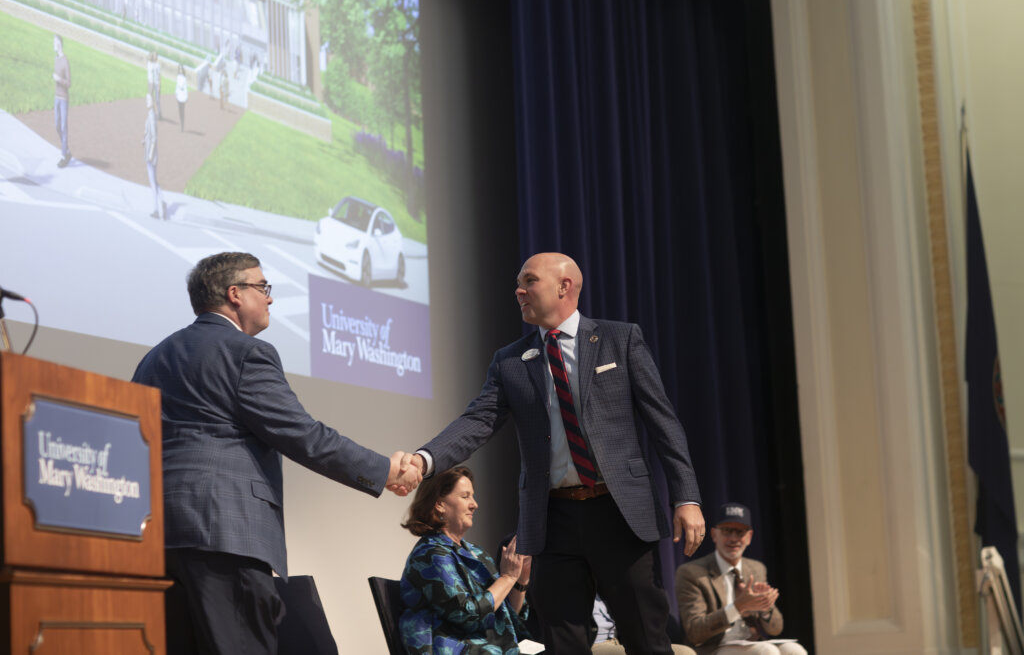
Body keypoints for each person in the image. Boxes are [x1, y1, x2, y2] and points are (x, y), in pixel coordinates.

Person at [404, 252, 705, 654]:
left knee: (646, 639)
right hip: (552, 520)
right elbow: (477, 421)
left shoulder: (620, 339)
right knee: (563, 643)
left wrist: (686, 496)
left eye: (529, 281)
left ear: (564, 287)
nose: (519, 290)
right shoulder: (510, 361)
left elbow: (664, 423)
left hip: (620, 513)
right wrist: (425, 460)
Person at [131, 251, 421, 655]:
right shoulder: (247, 352)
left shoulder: (153, 358)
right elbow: (303, 435)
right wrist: (383, 470)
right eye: (263, 287)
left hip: (157, 535)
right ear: (235, 294)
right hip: (225, 534)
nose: (269, 298)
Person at [400, 466, 534, 654]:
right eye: (465, 496)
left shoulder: (477, 553)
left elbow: (505, 615)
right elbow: (467, 615)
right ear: (439, 504)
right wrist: (507, 578)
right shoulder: (431, 554)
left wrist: (520, 580)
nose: (474, 504)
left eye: (473, 496)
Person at [675, 503, 806, 655]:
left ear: (749, 537)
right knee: (766, 651)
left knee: (795, 651)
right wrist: (738, 607)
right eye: (726, 531)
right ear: (713, 534)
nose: (733, 538)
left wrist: (765, 609)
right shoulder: (692, 573)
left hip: (752, 643)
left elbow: (776, 629)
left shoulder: (756, 568)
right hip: (715, 648)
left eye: (740, 532)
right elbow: (694, 631)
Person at [142, 93, 161, 220]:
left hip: (151, 155)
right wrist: (144, 140)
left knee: (152, 182)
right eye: (146, 99)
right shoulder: (150, 115)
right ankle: (160, 205)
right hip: (149, 151)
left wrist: (150, 154)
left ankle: (156, 209)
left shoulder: (152, 116)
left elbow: (154, 138)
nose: (146, 102)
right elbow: (149, 135)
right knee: (154, 181)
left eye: (148, 100)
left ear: (153, 102)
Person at [52, 34, 71, 167]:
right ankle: (67, 149)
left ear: (59, 44)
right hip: (56, 97)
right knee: (57, 125)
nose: (53, 45)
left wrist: (59, 80)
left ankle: (64, 155)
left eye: (54, 43)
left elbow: (69, 83)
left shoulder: (65, 61)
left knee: (64, 127)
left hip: (63, 98)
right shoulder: (56, 59)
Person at [147, 51, 162, 119]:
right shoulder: (149, 63)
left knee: (157, 99)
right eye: (153, 55)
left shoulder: (157, 65)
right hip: (150, 83)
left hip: (156, 83)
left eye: (155, 55)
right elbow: (148, 57)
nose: (154, 57)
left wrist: (159, 85)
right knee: (150, 98)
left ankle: (159, 113)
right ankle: (152, 112)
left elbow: (159, 75)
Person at [174, 64, 188, 132]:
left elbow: (185, 88)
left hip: (183, 95)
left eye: (181, 69)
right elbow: (177, 86)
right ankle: (181, 124)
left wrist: (186, 96)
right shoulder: (178, 77)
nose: (180, 70)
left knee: (182, 111)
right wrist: (176, 94)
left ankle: (182, 125)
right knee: (180, 111)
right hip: (179, 95)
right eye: (179, 69)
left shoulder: (184, 78)